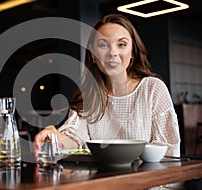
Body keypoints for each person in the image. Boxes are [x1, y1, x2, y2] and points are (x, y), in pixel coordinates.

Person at [34, 13, 180, 158]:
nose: (112, 53)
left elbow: (169, 149)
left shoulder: (152, 89)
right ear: (92, 53)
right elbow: (74, 139)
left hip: (145, 179)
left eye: (121, 44)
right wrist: (54, 136)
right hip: (100, 179)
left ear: (133, 52)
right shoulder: (88, 94)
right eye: (103, 45)